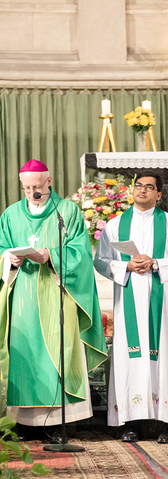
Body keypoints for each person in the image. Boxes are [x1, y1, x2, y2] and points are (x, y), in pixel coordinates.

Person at [0, 159, 107, 439]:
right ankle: (22, 423)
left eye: (37, 187)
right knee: (25, 353)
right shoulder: (11, 214)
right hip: (22, 295)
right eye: (27, 188)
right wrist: (8, 258)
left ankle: (57, 424)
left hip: (57, 293)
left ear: (49, 181)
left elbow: (79, 252)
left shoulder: (67, 211)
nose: (32, 192)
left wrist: (50, 255)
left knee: (58, 351)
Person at [95, 172, 168, 443]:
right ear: (132, 190)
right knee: (130, 358)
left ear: (159, 194)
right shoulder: (115, 225)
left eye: (149, 187)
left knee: (164, 356)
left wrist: (156, 263)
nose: (142, 190)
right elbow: (101, 260)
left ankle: (166, 424)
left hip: (163, 302)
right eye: (138, 185)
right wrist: (125, 265)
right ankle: (131, 423)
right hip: (129, 298)